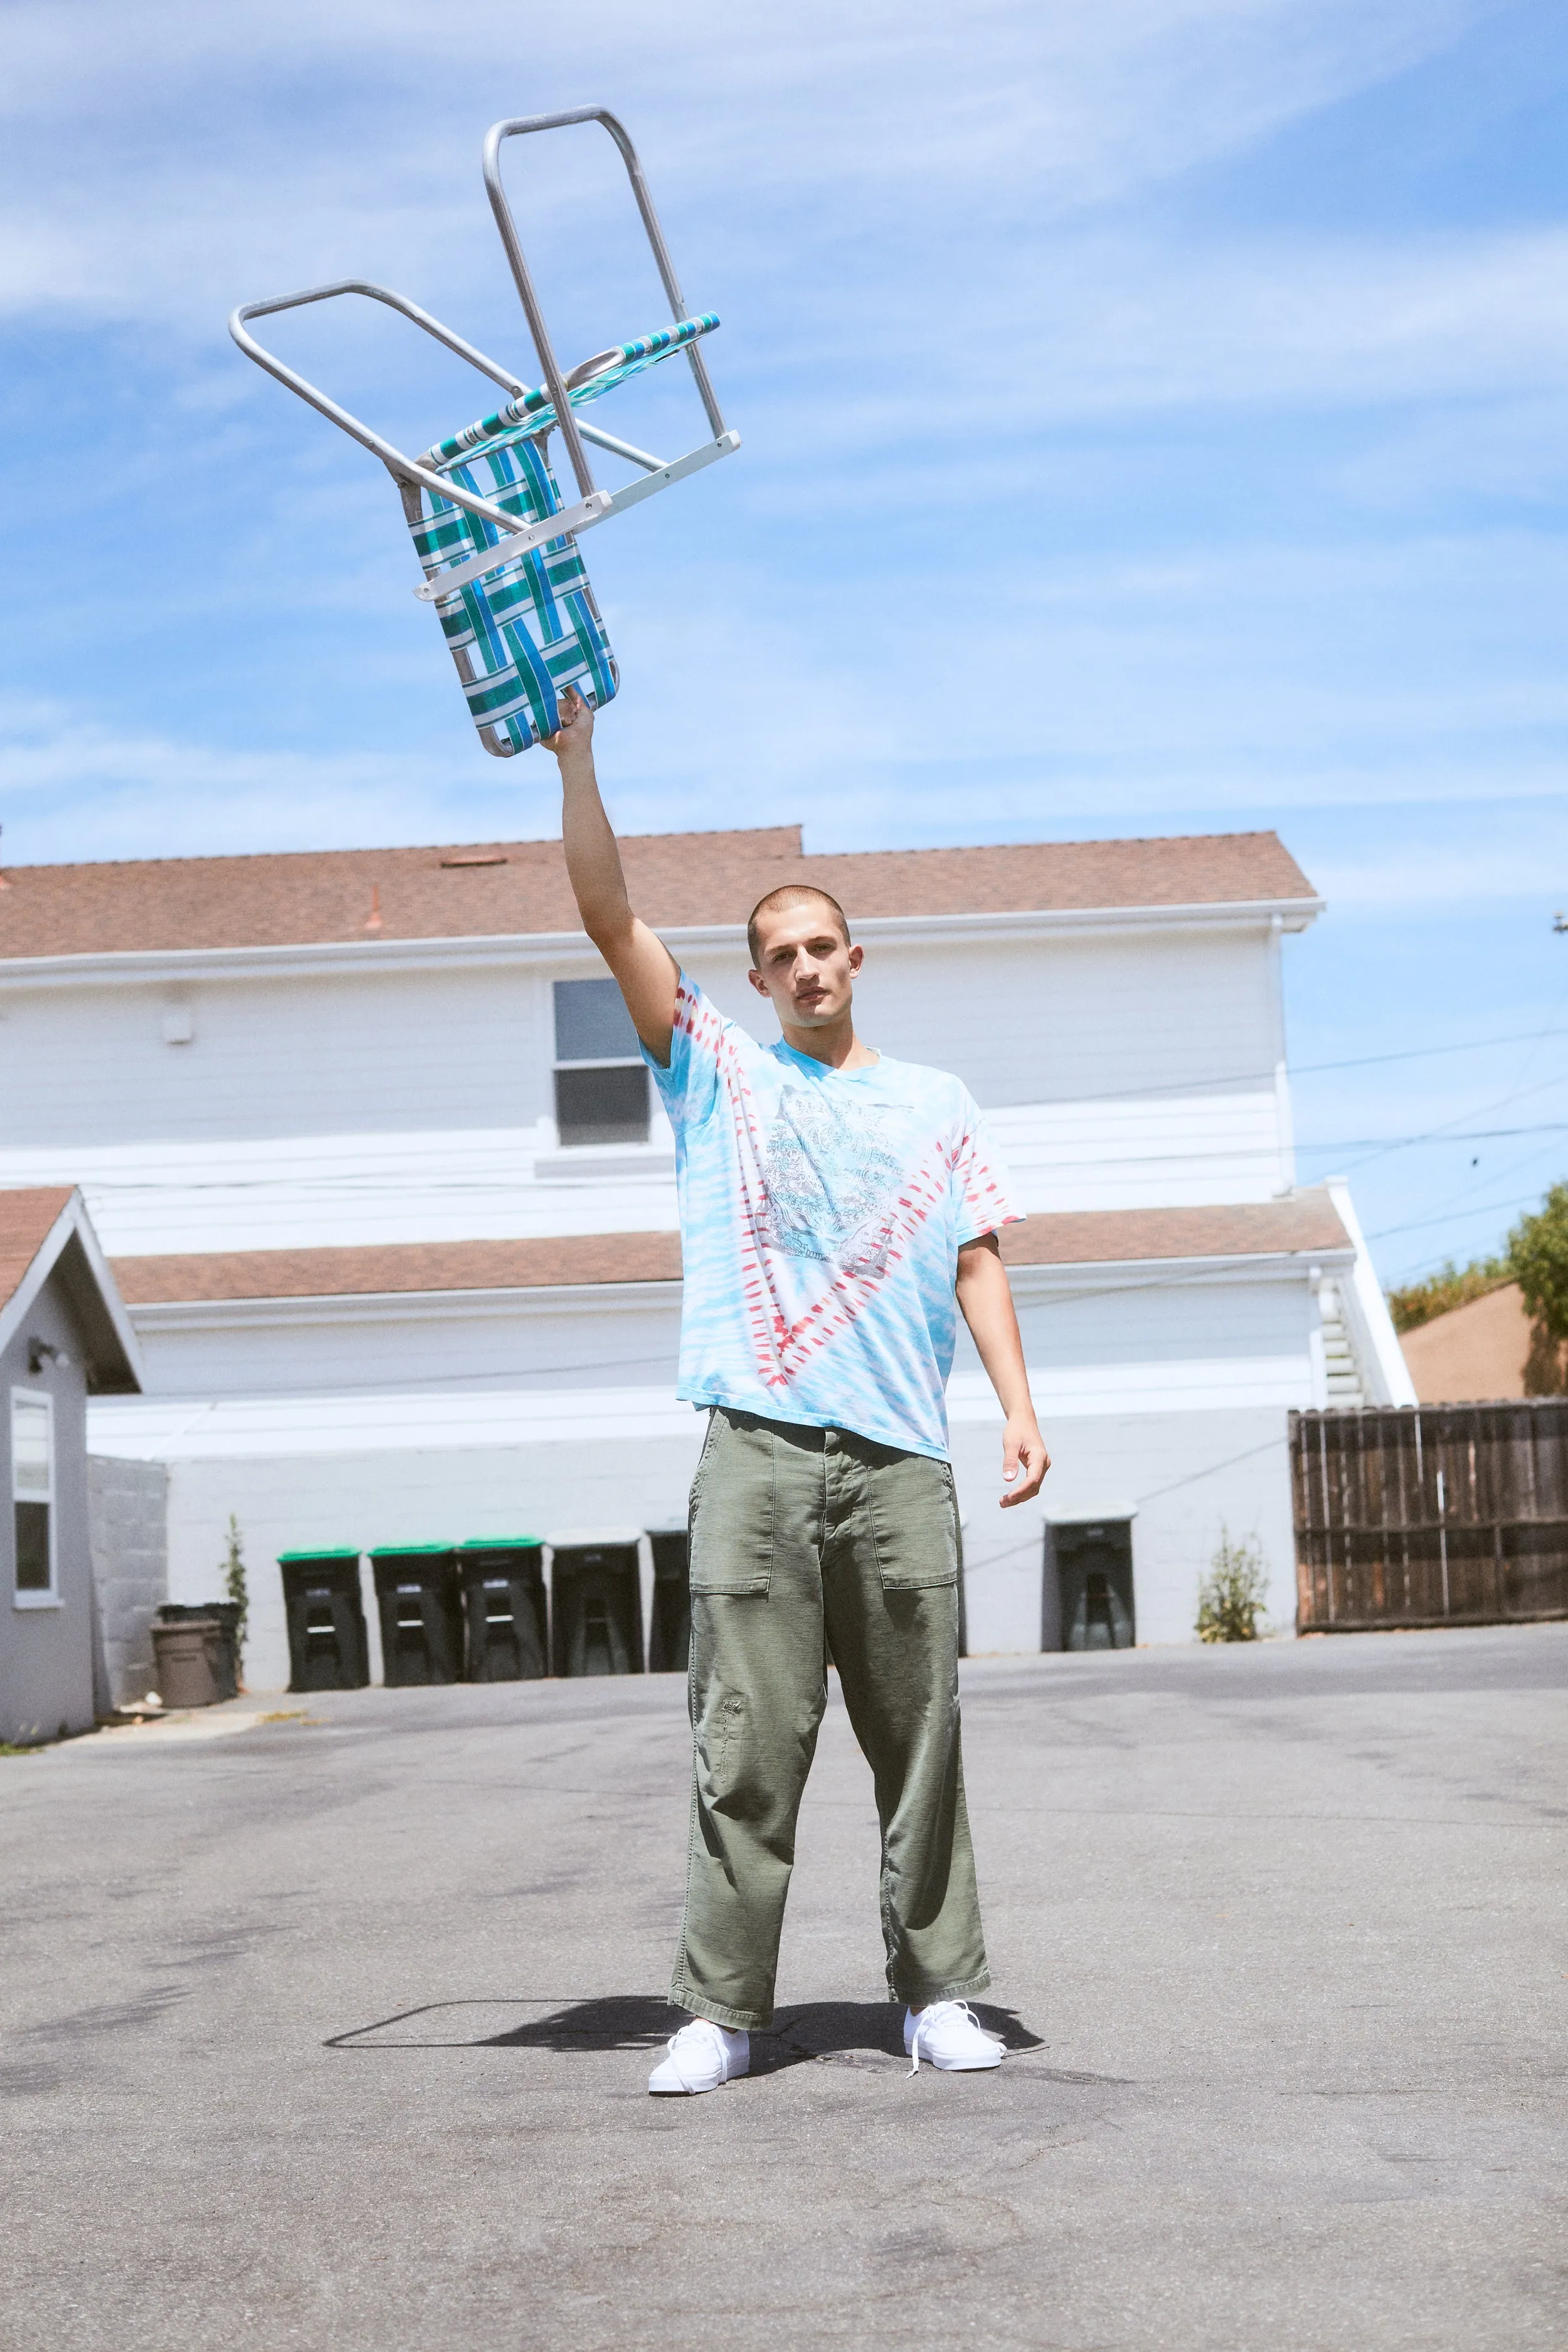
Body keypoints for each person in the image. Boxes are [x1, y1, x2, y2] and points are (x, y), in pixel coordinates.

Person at [546, 687, 1051, 2095]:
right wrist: (579, 760)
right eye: (779, 955)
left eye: (822, 946)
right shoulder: (714, 1076)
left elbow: (978, 1262)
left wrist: (1017, 1407)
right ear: (757, 981)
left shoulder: (937, 1101)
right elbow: (607, 917)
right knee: (742, 1749)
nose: (806, 968)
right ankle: (721, 2011)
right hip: (757, 1453)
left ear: (856, 958)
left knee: (921, 1743)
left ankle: (937, 1995)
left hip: (897, 1462)